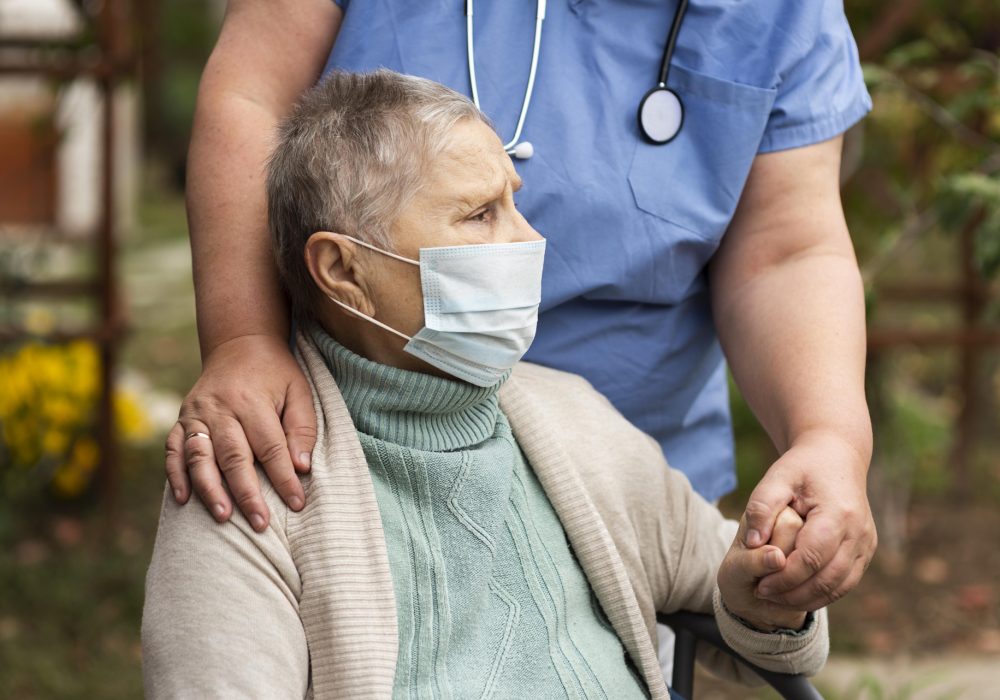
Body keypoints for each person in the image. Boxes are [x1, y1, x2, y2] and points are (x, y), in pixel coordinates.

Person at [165, 0, 875, 654]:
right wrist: (243, 340)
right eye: (482, 215)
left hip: (628, 480)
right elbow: (249, 97)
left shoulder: (629, 479)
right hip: (341, 454)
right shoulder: (257, 522)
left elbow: (787, 247)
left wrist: (828, 436)